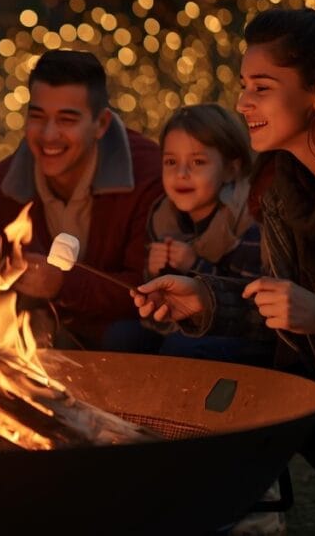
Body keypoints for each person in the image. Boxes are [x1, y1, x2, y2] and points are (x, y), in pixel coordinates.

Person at [133, 3, 315, 534]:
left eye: (262, 87)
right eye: (244, 85)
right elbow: (290, 316)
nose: (243, 102)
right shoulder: (281, 191)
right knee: (286, 398)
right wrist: (208, 298)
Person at [0, 49, 163, 348]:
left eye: (66, 120)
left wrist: (63, 283)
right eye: (38, 117)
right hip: (32, 345)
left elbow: (151, 290)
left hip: (122, 347)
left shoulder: (149, 176)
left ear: (101, 124)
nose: (49, 135)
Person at [102, 104, 270, 365]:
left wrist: (195, 265)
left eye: (198, 162)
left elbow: (249, 303)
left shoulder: (246, 218)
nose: (181, 174)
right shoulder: (162, 217)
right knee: (120, 337)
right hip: (178, 325)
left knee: (181, 347)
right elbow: (154, 308)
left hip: (239, 337)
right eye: (171, 162)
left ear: (230, 168)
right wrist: (154, 275)